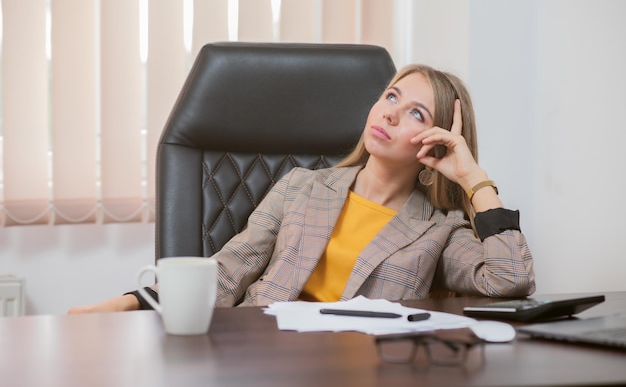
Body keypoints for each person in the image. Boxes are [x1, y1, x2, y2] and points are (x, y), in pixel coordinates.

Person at [68, 64, 535, 313]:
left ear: (436, 142)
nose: (391, 113)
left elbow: (509, 280)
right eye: (391, 96)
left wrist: (473, 178)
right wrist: (124, 304)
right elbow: (229, 271)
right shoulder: (301, 187)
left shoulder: (440, 229)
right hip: (263, 357)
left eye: (417, 113)